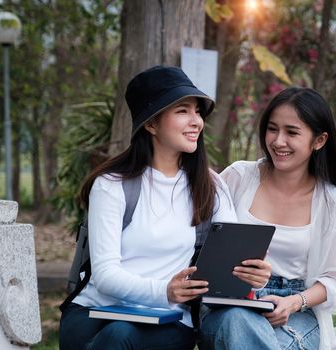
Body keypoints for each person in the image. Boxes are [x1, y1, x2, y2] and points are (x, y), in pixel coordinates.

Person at [58, 66, 270, 350]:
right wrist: (165, 290)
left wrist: (252, 277)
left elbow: (227, 266)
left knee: (121, 336)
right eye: (182, 111)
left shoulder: (210, 185)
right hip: (95, 312)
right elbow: (105, 275)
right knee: (117, 335)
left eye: (197, 111)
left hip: (168, 319)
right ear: (151, 124)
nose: (196, 121)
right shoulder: (112, 184)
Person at [199, 87, 336, 350]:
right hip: (229, 304)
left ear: (319, 140)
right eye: (272, 129)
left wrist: (294, 303)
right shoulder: (239, 177)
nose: (278, 141)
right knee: (237, 321)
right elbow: (200, 238)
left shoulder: (332, 202)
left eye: (291, 132)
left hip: (296, 311)